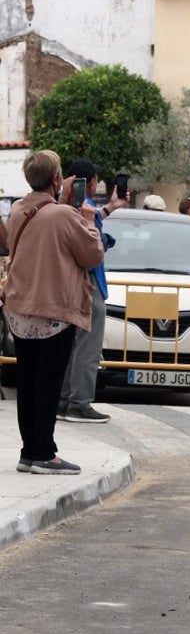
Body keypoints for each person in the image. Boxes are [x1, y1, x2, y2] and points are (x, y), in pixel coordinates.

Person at [3, 150, 104, 474]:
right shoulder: (65, 215)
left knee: (29, 381)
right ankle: (45, 454)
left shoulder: (19, 210)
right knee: (48, 382)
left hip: (21, 307)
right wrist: (88, 222)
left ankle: (29, 452)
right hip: (54, 310)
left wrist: (62, 201)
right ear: (58, 179)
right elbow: (92, 255)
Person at [57, 159, 128, 424]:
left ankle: (64, 400)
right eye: (95, 179)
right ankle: (80, 403)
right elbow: (92, 248)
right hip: (88, 283)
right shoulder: (81, 212)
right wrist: (104, 239)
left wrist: (111, 207)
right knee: (88, 345)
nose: (98, 183)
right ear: (86, 182)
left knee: (71, 345)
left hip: (70, 285)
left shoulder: (63, 208)